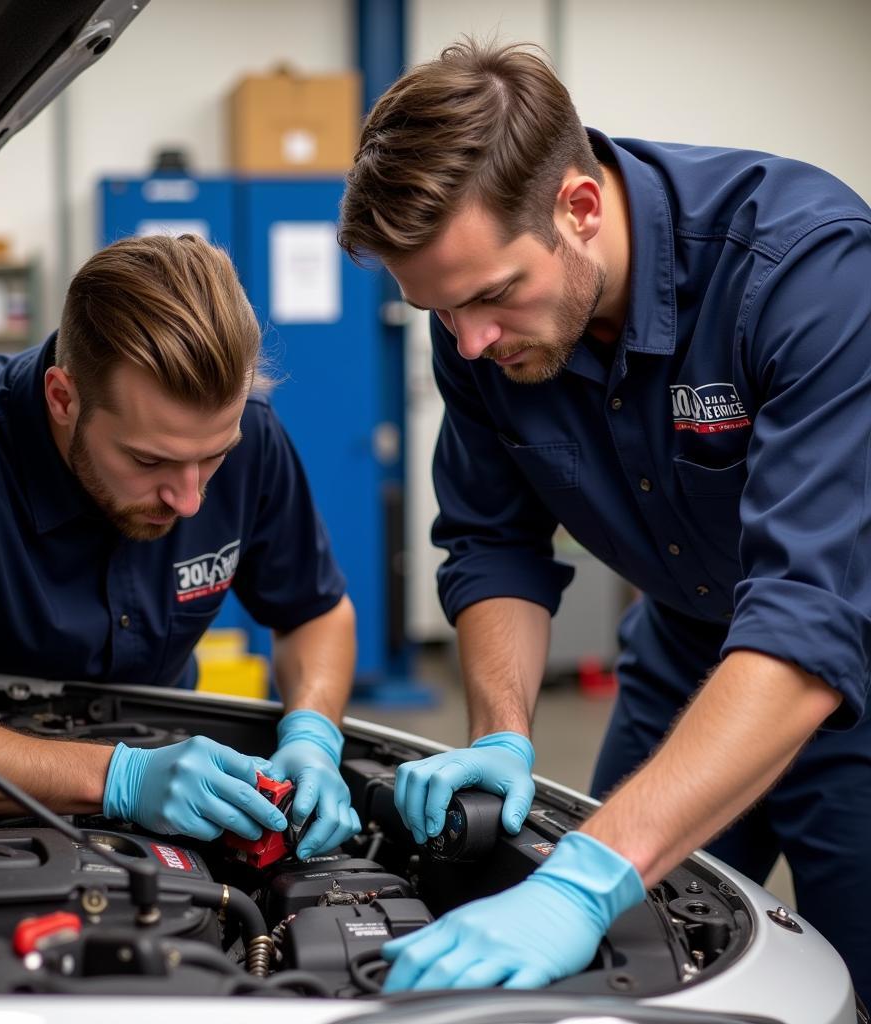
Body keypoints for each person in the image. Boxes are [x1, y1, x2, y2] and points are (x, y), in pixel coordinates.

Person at [339, 39, 871, 1001]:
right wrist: (501, 736)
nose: (468, 342)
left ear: (579, 209)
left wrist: (590, 875)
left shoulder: (807, 273)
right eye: (441, 310)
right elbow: (494, 542)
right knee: (625, 968)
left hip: (847, 663)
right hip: (684, 654)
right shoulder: (476, 322)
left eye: (493, 297)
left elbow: (807, 615)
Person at [0, 233, 360, 861]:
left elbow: (315, 613)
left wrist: (312, 732)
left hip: (173, 790)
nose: (190, 499)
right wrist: (120, 779)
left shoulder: (252, 436)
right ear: (63, 398)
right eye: (149, 460)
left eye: (214, 457)